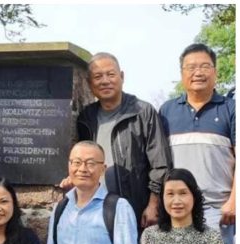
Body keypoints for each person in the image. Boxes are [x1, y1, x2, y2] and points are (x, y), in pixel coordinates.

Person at [62, 52, 171, 230]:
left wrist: (153, 204)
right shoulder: (86, 117)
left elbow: (161, 164)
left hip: (135, 207)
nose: (105, 81)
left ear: (121, 77)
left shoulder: (142, 112)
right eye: (98, 77)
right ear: (90, 83)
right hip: (95, 209)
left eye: (110, 74)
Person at [159, 43, 235, 244]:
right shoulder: (167, 110)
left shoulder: (231, 108)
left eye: (205, 66)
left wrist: (234, 200)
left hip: (216, 209)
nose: (198, 72)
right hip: (177, 208)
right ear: (182, 73)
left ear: (216, 72)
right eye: (191, 67)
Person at [44, 141, 138, 244]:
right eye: (77, 162)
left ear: (103, 168)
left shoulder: (118, 207)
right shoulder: (60, 208)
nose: (82, 169)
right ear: (69, 165)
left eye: (91, 163)